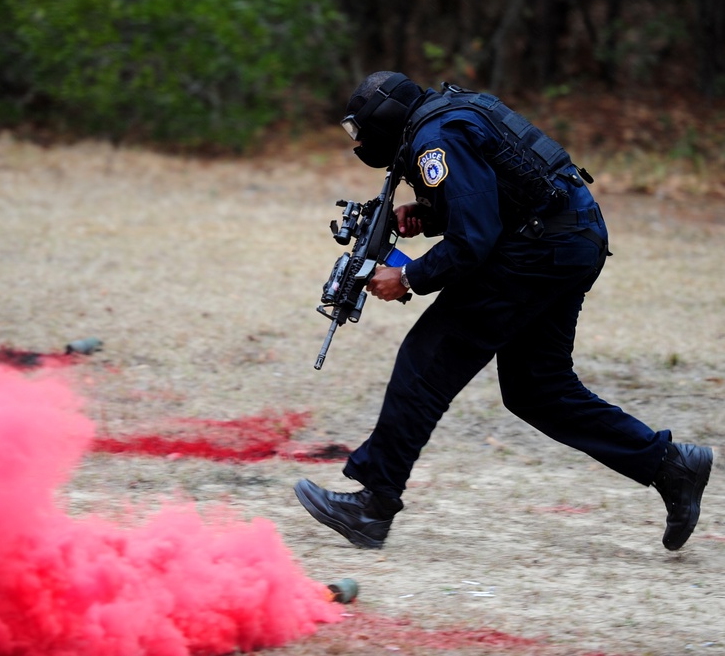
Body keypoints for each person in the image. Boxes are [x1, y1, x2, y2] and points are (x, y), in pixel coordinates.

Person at [294, 72, 713, 551]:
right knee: (537, 388)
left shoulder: (435, 140)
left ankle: (373, 504)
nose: (361, 143)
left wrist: (408, 277)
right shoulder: (448, 116)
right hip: (571, 238)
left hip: (540, 249)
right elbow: (497, 197)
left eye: (363, 131)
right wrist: (431, 214)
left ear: (388, 118)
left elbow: (474, 240)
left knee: (425, 362)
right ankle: (672, 467)